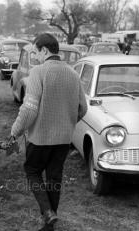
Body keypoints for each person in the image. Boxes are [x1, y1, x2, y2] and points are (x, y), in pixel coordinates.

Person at [9, 33, 87, 231]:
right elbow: (83, 108)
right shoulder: (73, 73)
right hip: (63, 139)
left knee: (32, 171)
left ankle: (48, 212)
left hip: (40, 137)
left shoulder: (38, 72)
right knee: (54, 178)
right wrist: (68, 123)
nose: (34, 57)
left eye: (35, 52)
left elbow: (29, 109)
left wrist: (15, 131)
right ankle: (49, 224)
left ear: (44, 50)